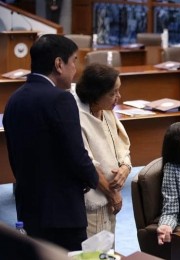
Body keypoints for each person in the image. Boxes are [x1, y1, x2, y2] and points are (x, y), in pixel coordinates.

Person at [2, 34, 98, 251]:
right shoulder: (60, 99)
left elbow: (15, 158)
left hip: (28, 207)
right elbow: (77, 154)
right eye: (74, 60)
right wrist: (94, 181)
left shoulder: (14, 99)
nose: (76, 68)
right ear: (58, 64)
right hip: (63, 212)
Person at [74, 63, 132, 238]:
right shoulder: (78, 118)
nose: (118, 97)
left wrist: (125, 167)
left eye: (118, 91)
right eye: (112, 93)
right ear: (95, 96)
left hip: (109, 199)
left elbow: (122, 147)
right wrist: (113, 193)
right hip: (92, 201)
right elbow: (87, 164)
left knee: (107, 252)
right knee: (93, 253)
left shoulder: (107, 111)